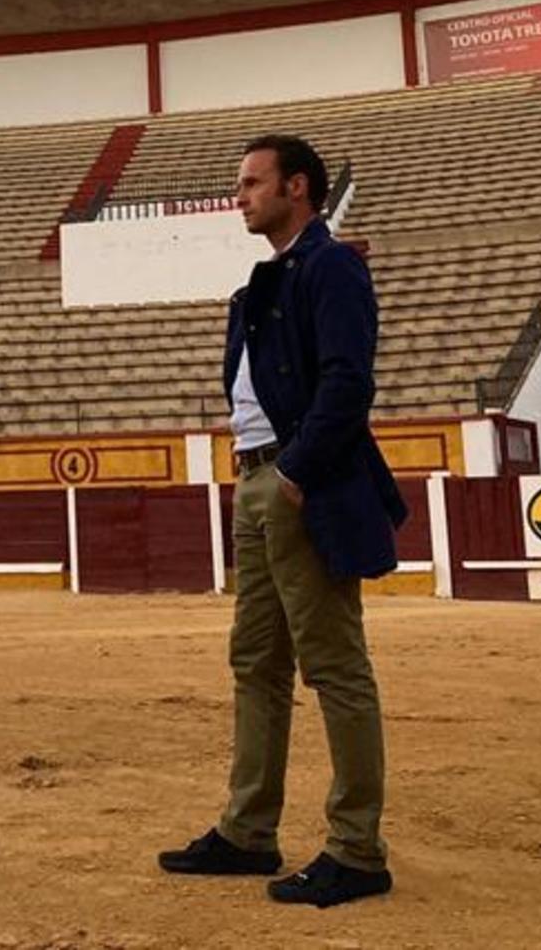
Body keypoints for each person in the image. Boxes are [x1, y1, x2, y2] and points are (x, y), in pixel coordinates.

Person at [158, 134, 407, 909]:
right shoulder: (272, 279)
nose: (239, 195)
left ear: (297, 187)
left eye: (251, 183)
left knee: (333, 664)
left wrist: (296, 472)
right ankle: (247, 831)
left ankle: (357, 848)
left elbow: (348, 382)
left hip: (296, 478)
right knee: (256, 662)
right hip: (255, 477)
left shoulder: (331, 267)